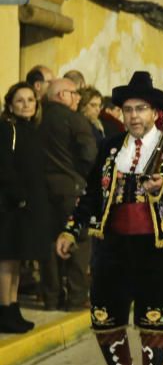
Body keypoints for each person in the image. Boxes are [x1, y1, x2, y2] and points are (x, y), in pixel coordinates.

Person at [54, 71, 163, 365]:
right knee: (105, 320)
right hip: (112, 246)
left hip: (158, 246)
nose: (134, 116)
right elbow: (92, 194)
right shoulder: (109, 148)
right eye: (128, 109)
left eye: (141, 109)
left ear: (155, 113)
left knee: (156, 323)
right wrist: (71, 230)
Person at [39, 76, 97, 311]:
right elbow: (89, 155)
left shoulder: (38, 118)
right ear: (61, 95)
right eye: (74, 94)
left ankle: (51, 297)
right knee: (79, 240)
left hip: (43, 190)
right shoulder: (75, 120)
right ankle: (76, 297)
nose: (78, 99)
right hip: (71, 189)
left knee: (49, 242)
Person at [0, 83, 51, 333]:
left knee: (17, 259)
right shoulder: (7, 129)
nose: (26, 104)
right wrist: (18, 197)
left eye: (30, 100)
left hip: (26, 207)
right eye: (20, 101)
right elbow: (5, 166)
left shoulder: (31, 129)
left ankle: (13, 306)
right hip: (10, 206)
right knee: (7, 259)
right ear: (10, 105)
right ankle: (5, 310)